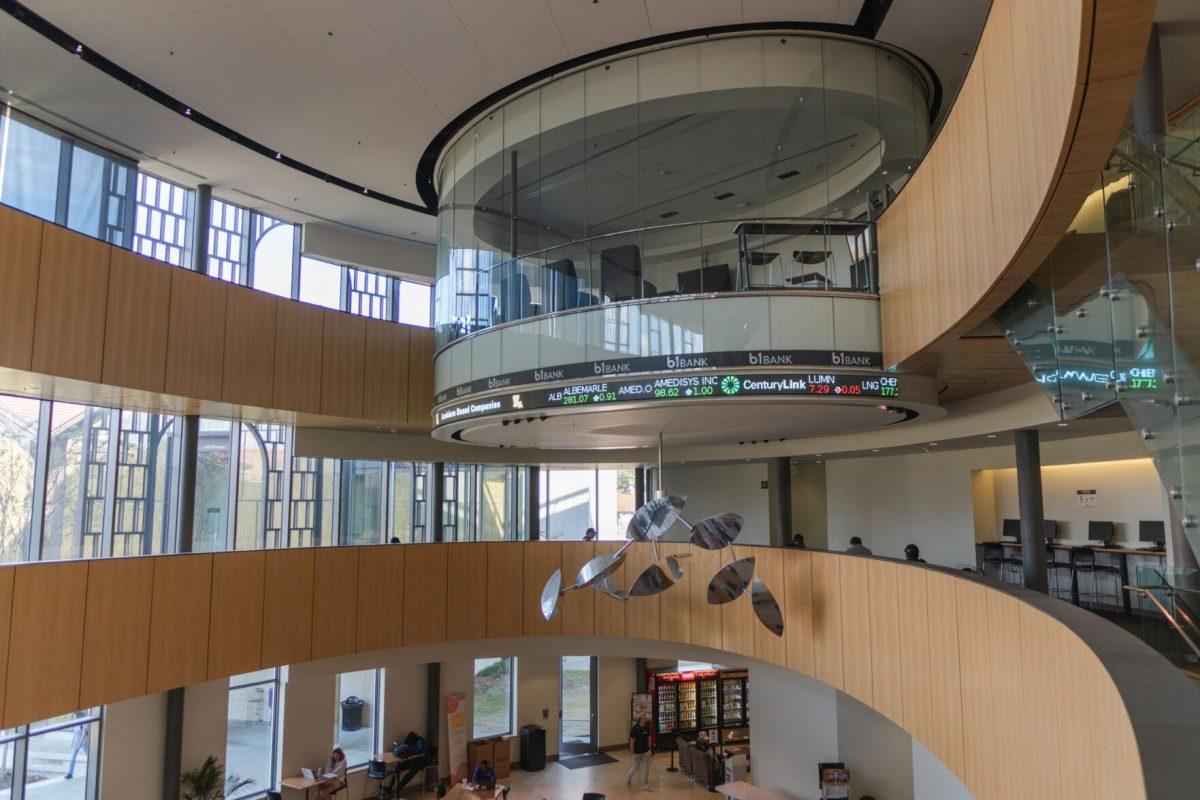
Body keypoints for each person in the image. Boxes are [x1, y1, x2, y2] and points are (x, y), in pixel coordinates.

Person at [627, 714, 653, 792]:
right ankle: (629, 776)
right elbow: (632, 741)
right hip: (637, 753)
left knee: (646, 768)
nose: (645, 721)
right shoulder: (634, 729)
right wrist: (632, 752)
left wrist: (649, 749)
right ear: (640, 720)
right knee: (636, 767)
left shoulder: (647, 728)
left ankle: (645, 784)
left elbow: (649, 738)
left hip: (646, 752)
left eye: (645, 719)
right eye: (643, 719)